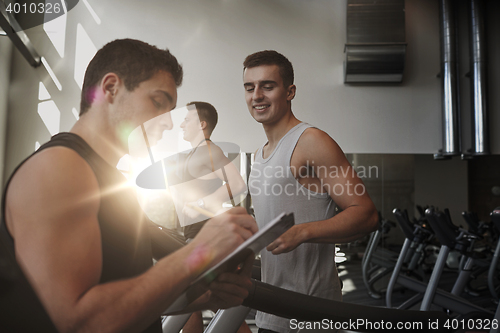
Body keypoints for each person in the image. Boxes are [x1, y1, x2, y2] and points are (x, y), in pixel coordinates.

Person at [0, 39, 257, 333]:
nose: (169, 124)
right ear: (110, 88)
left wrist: (205, 297)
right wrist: (197, 251)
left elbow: (122, 297)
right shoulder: (60, 167)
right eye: (158, 103)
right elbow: (77, 323)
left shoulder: (107, 178)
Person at [243, 50, 379, 333]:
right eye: (249, 87)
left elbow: (365, 214)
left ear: (289, 91)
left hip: (310, 315)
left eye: (268, 86)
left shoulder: (311, 141)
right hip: (272, 310)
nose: (257, 95)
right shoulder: (260, 155)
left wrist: (302, 232)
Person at [174, 101, 248, 333]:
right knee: (206, 303)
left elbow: (237, 183)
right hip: (195, 235)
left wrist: (201, 203)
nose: (182, 124)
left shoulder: (209, 149)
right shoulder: (195, 153)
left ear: (202, 124)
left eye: (187, 120)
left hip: (205, 237)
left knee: (191, 302)